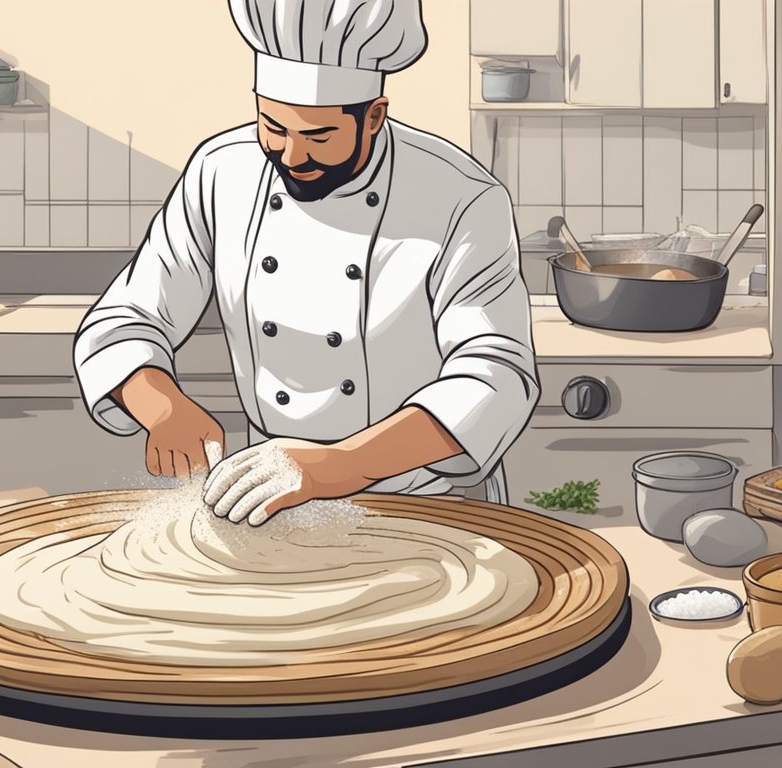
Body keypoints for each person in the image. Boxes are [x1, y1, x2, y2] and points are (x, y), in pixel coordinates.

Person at [74, 0, 538, 527]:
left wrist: (341, 464)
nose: (292, 156)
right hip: (269, 496)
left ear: (375, 117)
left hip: (426, 500)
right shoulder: (221, 172)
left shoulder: (462, 197)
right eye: (273, 126)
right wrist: (161, 409)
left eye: (319, 137)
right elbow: (127, 315)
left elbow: (496, 373)